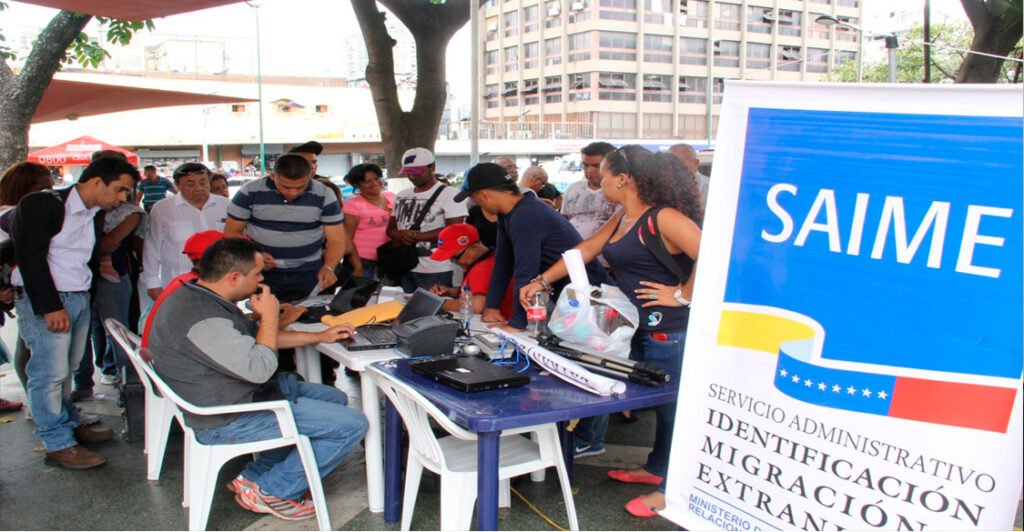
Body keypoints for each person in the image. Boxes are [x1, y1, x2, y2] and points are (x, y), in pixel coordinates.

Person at [520, 145, 702, 517]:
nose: (598, 181)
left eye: (603, 174)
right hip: (633, 327)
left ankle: (672, 491)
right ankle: (657, 468)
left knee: (676, 412)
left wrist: (682, 295)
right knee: (661, 406)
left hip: (669, 330)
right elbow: (586, 249)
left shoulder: (663, 218)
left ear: (623, 178)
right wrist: (541, 280)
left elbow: (714, 255)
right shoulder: (624, 217)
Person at [148, 237, 368, 520]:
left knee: (333, 397)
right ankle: (272, 490)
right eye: (257, 274)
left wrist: (320, 336)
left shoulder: (200, 296)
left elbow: (257, 340)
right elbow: (260, 367)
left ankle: (254, 475)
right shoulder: (204, 319)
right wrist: (269, 316)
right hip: (224, 417)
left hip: (231, 394)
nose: (262, 280)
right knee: (352, 425)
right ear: (234, 277)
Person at [10, 156, 138, 469]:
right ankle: (57, 443)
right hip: (49, 299)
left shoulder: (94, 214)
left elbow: (85, 257)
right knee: (48, 373)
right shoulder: (43, 204)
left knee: (67, 370)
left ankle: (68, 424)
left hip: (79, 296)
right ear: (96, 182)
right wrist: (50, 306)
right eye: (120, 189)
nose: (123, 198)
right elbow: (30, 257)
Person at [455, 162, 607, 329]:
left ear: (484, 195)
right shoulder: (508, 213)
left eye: (474, 199)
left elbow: (526, 270)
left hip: (590, 296)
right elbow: (503, 261)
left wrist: (516, 324)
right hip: (567, 295)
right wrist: (492, 307)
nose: (478, 205)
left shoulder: (526, 215)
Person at [225, 154, 346, 302]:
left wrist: (329, 267)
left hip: (309, 272)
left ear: (310, 176)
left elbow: (336, 240)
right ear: (272, 176)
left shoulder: (325, 194)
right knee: (264, 313)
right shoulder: (250, 192)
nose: (293, 192)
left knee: (312, 313)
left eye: (300, 187)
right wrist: (255, 254)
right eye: (286, 187)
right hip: (261, 272)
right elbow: (232, 232)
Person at [0, 162, 56, 413]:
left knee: (28, 347)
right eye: (44, 189)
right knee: (31, 351)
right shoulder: (12, 216)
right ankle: (39, 407)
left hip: (16, 289)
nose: (50, 195)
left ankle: (38, 405)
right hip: (20, 289)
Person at [142, 163, 229, 302]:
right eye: (190, 184)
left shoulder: (226, 205)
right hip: (178, 283)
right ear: (177, 185)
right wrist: (152, 282)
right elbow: (152, 247)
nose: (198, 188)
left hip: (221, 282)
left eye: (203, 182)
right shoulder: (163, 209)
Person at [386, 147, 466, 292]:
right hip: (405, 265)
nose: (412, 176)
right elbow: (391, 228)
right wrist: (399, 234)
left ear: (432, 167)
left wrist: (414, 236)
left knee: (434, 304)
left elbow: (454, 231)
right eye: (408, 172)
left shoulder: (450, 194)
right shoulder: (402, 195)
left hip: (436, 268)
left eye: (418, 172)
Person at [428, 224, 514, 319]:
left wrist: (438, 303)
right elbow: (483, 291)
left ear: (474, 248)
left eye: (455, 257)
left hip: (496, 323)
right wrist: (450, 291)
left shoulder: (481, 269)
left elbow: (477, 306)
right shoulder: (491, 258)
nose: (455, 262)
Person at [342, 163, 395, 280]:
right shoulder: (351, 205)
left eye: (376, 178)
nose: (375, 183)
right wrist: (357, 266)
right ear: (357, 185)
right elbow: (347, 239)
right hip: (364, 263)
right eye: (368, 181)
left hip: (390, 260)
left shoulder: (392, 197)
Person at [561, 142, 619, 240]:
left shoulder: (622, 192)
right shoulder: (573, 190)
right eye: (585, 165)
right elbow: (564, 220)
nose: (589, 170)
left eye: (596, 166)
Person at [668, 143, 709, 209]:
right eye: (670, 164)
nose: (674, 168)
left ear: (696, 163)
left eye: (681, 164)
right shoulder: (661, 188)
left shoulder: (712, 188)